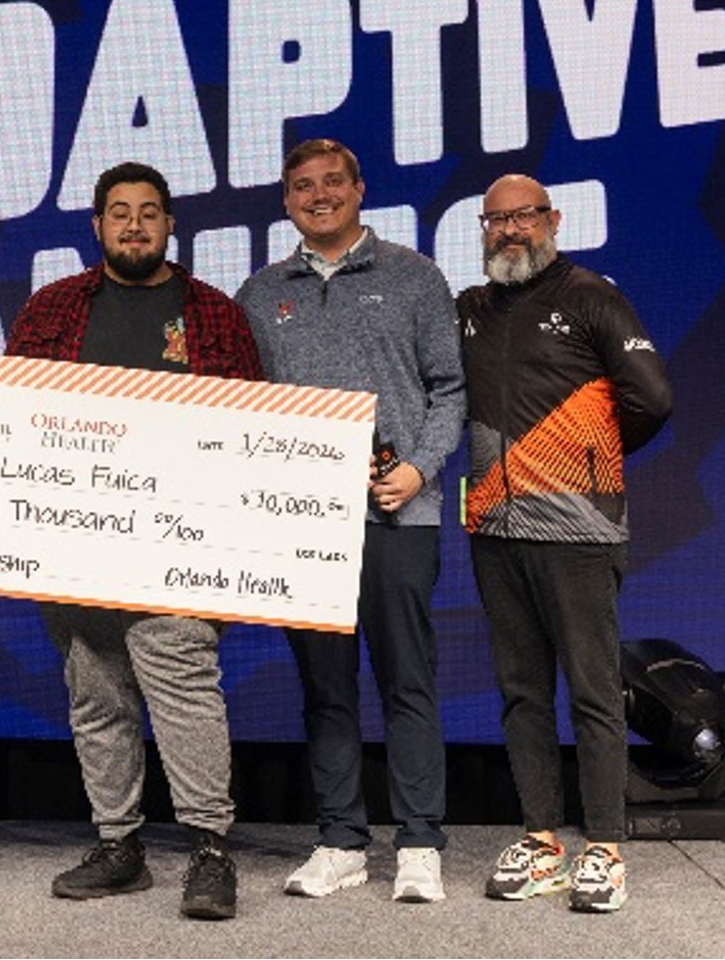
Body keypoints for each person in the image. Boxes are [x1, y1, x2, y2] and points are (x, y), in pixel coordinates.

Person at [5, 161, 263, 921]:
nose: (134, 225)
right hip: (76, 550)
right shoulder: (51, 311)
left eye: (149, 212)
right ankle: (120, 845)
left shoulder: (214, 315)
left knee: (184, 694)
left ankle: (210, 850)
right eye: (119, 213)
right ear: (97, 226)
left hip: (180, 548)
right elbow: (9, 421)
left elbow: (253, 430)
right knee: (98, 697)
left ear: (170, 225)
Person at [235, 139, 465, 904]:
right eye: (303, 186)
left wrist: (418, 469)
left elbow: (450, 389)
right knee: (325, 688)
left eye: (334, 182)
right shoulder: (262, 293)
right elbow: (244, 409)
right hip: (305, 526)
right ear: (286, 201)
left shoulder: (414, 276)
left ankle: (421, 842)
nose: (319, 195)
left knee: (408, 679)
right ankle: (339, 838)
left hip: (401, 513)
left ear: (360, 189)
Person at [458, 174, 672, 914]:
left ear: (552, 220)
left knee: (591, 693)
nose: (510, 231)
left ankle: (605, 849)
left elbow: (652, 398)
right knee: (521, 695)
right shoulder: (471, 310)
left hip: (579, 532)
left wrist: (586, 460)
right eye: (497, 220)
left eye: (524, 217)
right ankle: (543, 840)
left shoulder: (591, 296)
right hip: (494, 530)